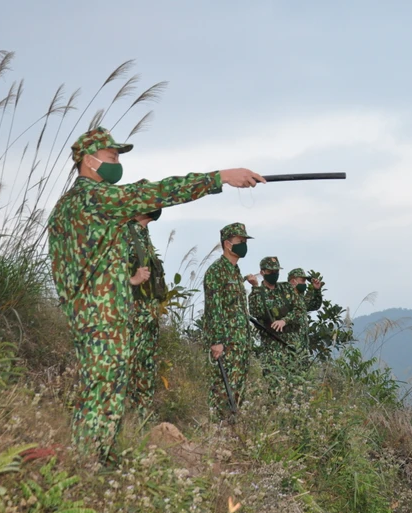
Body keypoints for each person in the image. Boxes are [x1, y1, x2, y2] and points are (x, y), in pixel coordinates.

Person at [47, 126, 264, 464]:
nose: (117, 163)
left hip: (94, 312)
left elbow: (82, 268)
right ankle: (86, 467)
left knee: (106, 390)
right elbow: (156, 192)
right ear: (88, 162)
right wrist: (220, 177)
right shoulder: (93, 198)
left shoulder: (72, 206)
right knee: (103, 390)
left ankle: (98, 459)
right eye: (112, 156)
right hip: (101, 317)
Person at [201, 223, 257, 421]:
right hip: (226, 344)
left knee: (237, 390)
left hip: (240, 343)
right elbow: (214, 309)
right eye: (240, 241)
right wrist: (217, 341)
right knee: (222, 389)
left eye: (244, 241)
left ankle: (231, 433)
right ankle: (216, 431)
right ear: (227, 244)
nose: (243, 245)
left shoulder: (235, 272)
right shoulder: (216, 272)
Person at [126, 208, 166, 421]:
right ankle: (122, 419)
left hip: (148, 316)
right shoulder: (124, 232)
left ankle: (141, 421)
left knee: (146, 368)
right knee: (128, 366)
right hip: (133, 314)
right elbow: (105, 270)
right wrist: (130, 280)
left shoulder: (143, 234)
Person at [247, 257, 308, 392]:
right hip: (272, 346)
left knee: (296, 383)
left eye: (276, 271)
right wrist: (256, 287)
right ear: (262, 272)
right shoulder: (257, 293)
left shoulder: (286, 289)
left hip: (292, 343)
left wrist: (284, 320)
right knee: (274, 384)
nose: (274, 274)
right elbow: (257, 311)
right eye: (270, 271)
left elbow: (300, 309)